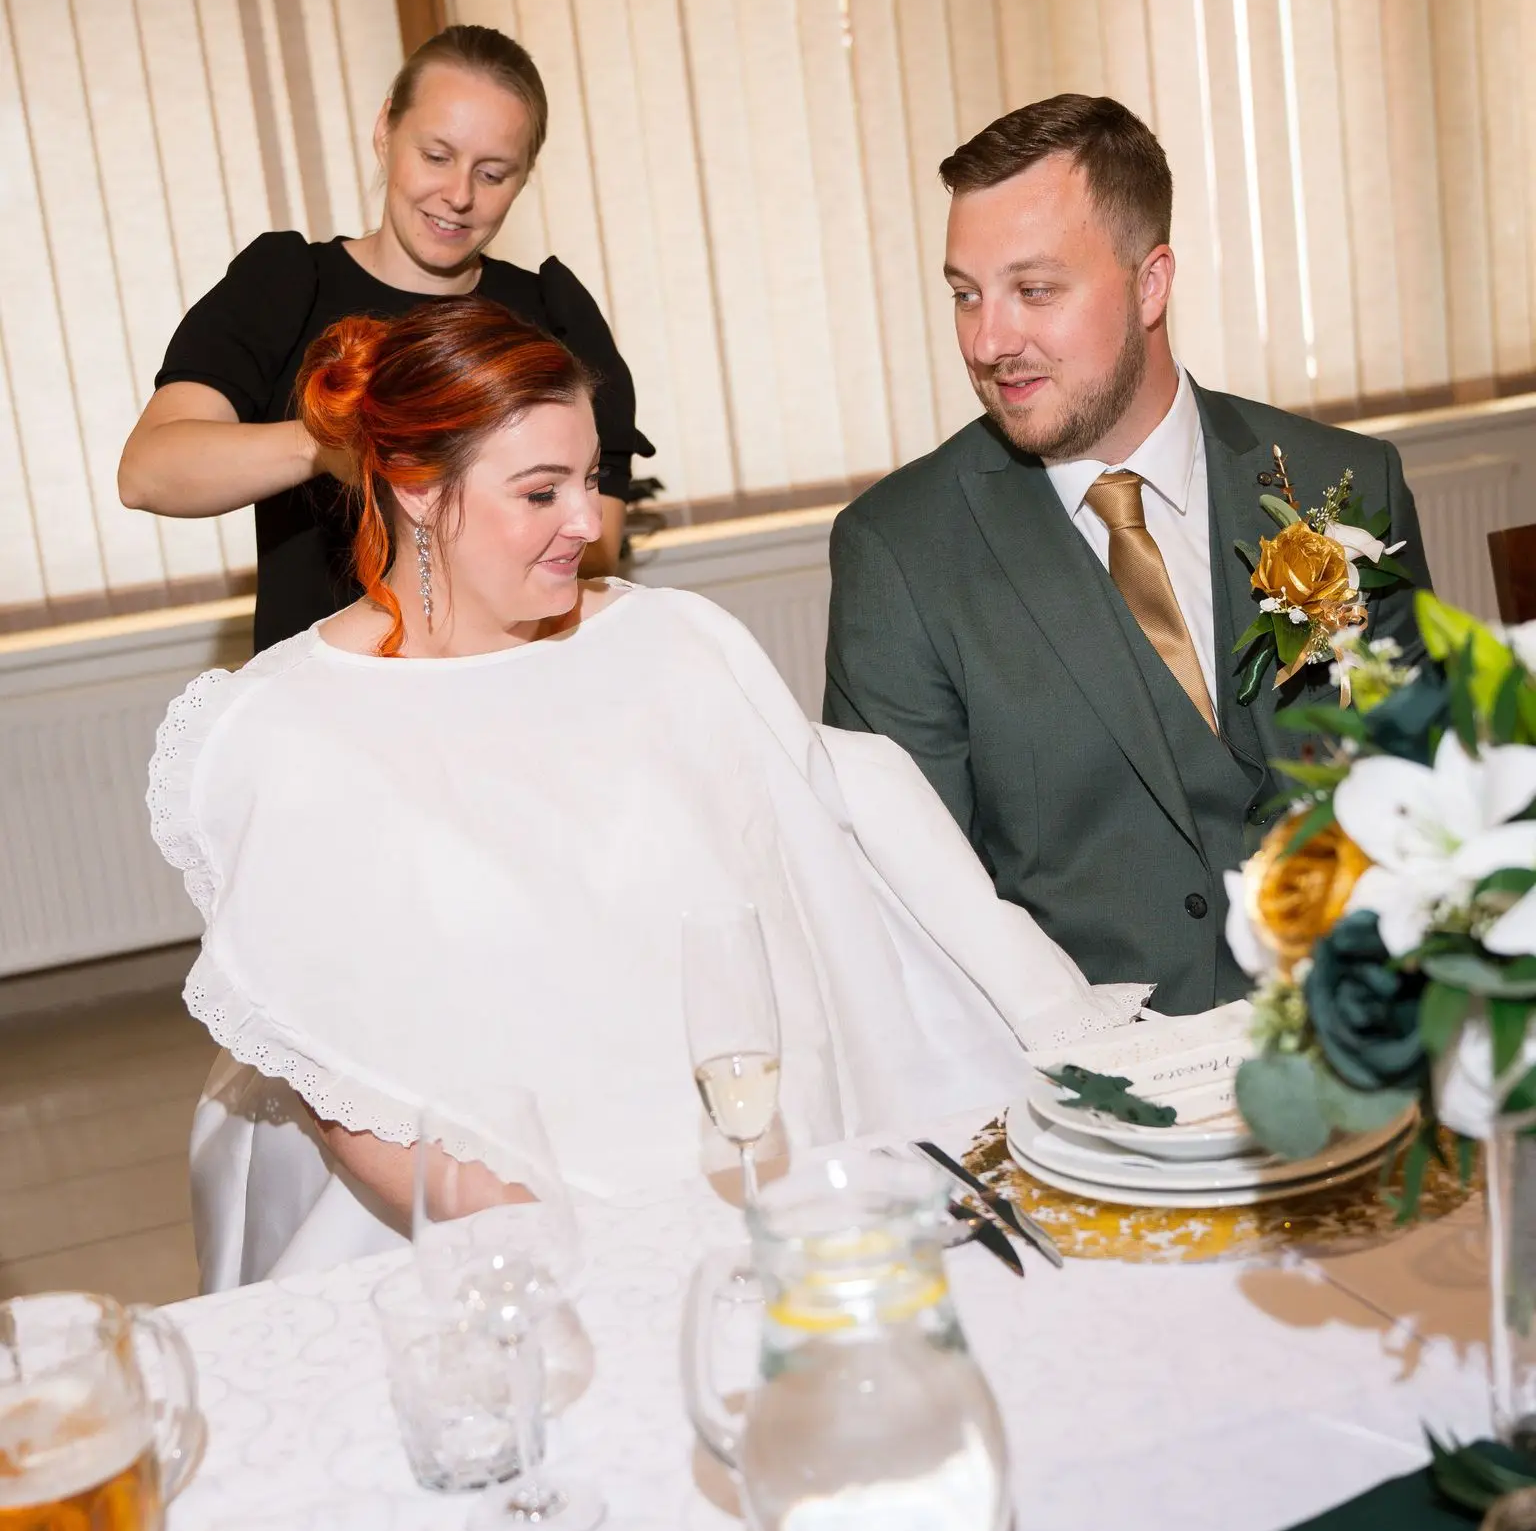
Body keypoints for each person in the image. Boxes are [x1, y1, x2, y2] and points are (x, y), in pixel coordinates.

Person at [148, 299, 1103, 1291]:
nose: (587, 521)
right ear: (418, 489)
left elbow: (809, 951)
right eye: (540, 491)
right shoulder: (291, 734)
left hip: (743, 1165)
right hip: (479, 1218)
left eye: (591, 479)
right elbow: (348, 1088)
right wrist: (591, 1256)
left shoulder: (675, 644)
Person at [824, 94, 1431, 1019]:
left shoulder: (1342, 483)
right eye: (965, 294)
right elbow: (911, 922)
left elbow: (1422, 789)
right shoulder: (900, 554)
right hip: (1096, 1083)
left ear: (1151, 285)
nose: (988, 341)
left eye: (1035, 290)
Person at [119, 24, 652, 653]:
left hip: (503, 677)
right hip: (327, 689)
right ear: (384, 131)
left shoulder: (552, 317)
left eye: (492, 173)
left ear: (524, 176)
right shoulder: (287, 286)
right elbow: (148, 472)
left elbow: (595, 544)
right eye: (436, 156)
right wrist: (329, 447)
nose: (458, 195)